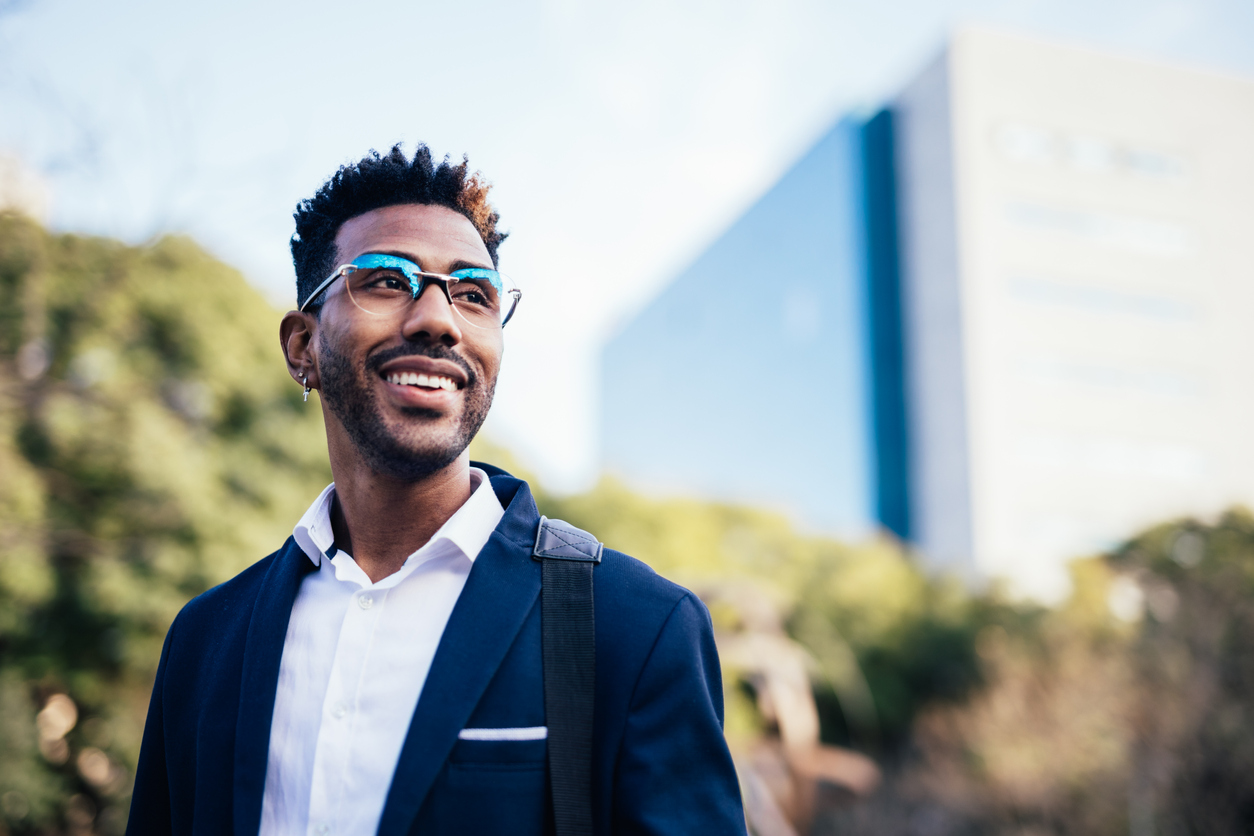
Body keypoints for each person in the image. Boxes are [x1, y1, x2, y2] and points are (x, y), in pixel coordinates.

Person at [126, 145, 747, 835]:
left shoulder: (637, 627)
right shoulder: (205, 641)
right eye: (387, 282)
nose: (439, 319)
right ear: (303, 345)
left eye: (473, 294)